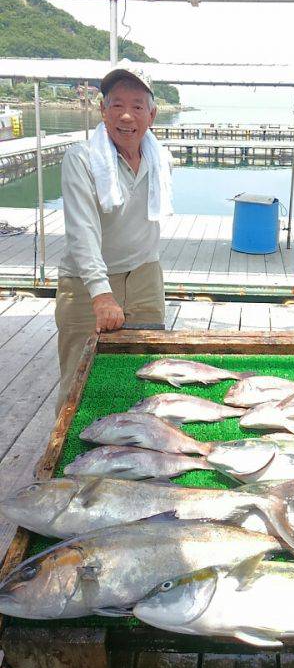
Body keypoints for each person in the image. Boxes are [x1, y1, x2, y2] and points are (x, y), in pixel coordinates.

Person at [55, 60, 172, 412]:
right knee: (80, 378)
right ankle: (67, 461)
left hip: (145, 276)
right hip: (87, 284)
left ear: (151, 116)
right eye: (117, 105)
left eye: (137, 107)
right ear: (103, 111)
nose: (126, 116)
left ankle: (138, 453)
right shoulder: (82, 159)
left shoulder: (160, 158)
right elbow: (82, 231)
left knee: (144, 373)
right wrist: (101, 294)